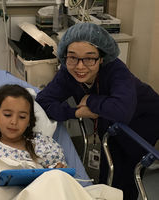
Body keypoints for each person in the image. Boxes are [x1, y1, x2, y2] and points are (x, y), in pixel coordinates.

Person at [35, 22, 159, 200]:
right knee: (106, 168)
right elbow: (43, 101)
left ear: (102, 58)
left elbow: (122, 110)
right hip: (109, 119)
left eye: (89, 58)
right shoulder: (67, 74)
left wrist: (91, 100)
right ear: (64, 56)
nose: (80, 66)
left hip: (143, 118)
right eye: (72, 57)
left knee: (127, 172)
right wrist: (75, 113)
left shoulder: (116, 70)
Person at [0, 84, 67, 169]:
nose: (14, 122)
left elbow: (61, 174)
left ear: (29, 121)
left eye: (22, 117)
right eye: (7, 115)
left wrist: (58, 169)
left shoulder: (44, 144)